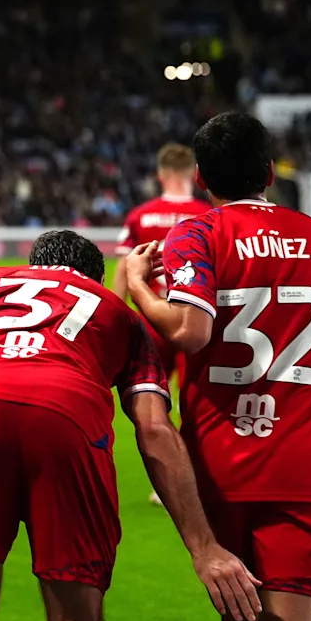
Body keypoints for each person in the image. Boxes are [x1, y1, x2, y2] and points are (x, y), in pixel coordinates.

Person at [0, 230, 261, 621]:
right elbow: (154, 429)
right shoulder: (122, 317)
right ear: (94, 279)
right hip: (66, 419)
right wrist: (204, 548)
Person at [125, 112, 311, 621]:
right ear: (268, 174)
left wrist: (138, 289)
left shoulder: (196, 234)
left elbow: (190, 331)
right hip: (308, 466)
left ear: (202, 179)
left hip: (220, 464)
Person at [111, 143, 212, 505]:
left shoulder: (141, 216)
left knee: (151, 407)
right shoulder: (206, 214)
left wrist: (115, 312)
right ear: (193, 175)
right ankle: (198, 479)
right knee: (196, 406)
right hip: (195, 317)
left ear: (159, 174)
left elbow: (125, 265)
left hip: (151, 320)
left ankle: (164, 482)